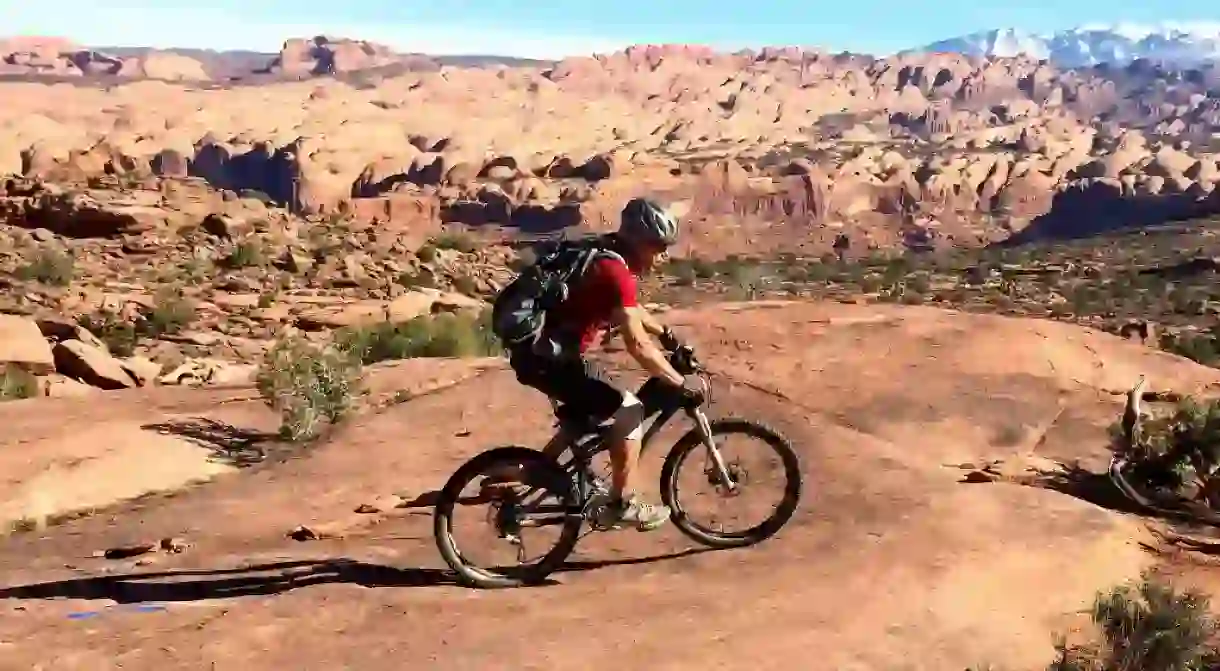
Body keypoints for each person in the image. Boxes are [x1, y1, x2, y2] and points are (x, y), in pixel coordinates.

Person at [489, 197, 707, 531]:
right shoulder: (614, 272)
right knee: (630, 409)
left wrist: (666, 333)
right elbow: (636, 344)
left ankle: (519, 478)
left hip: (541, 354)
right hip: (549, 359)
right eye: (656, 246)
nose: (660, 256)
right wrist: (677, 381)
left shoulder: (605, 253)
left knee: (585, 419)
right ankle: (623, 503)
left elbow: (631, 311)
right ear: (638, 240)